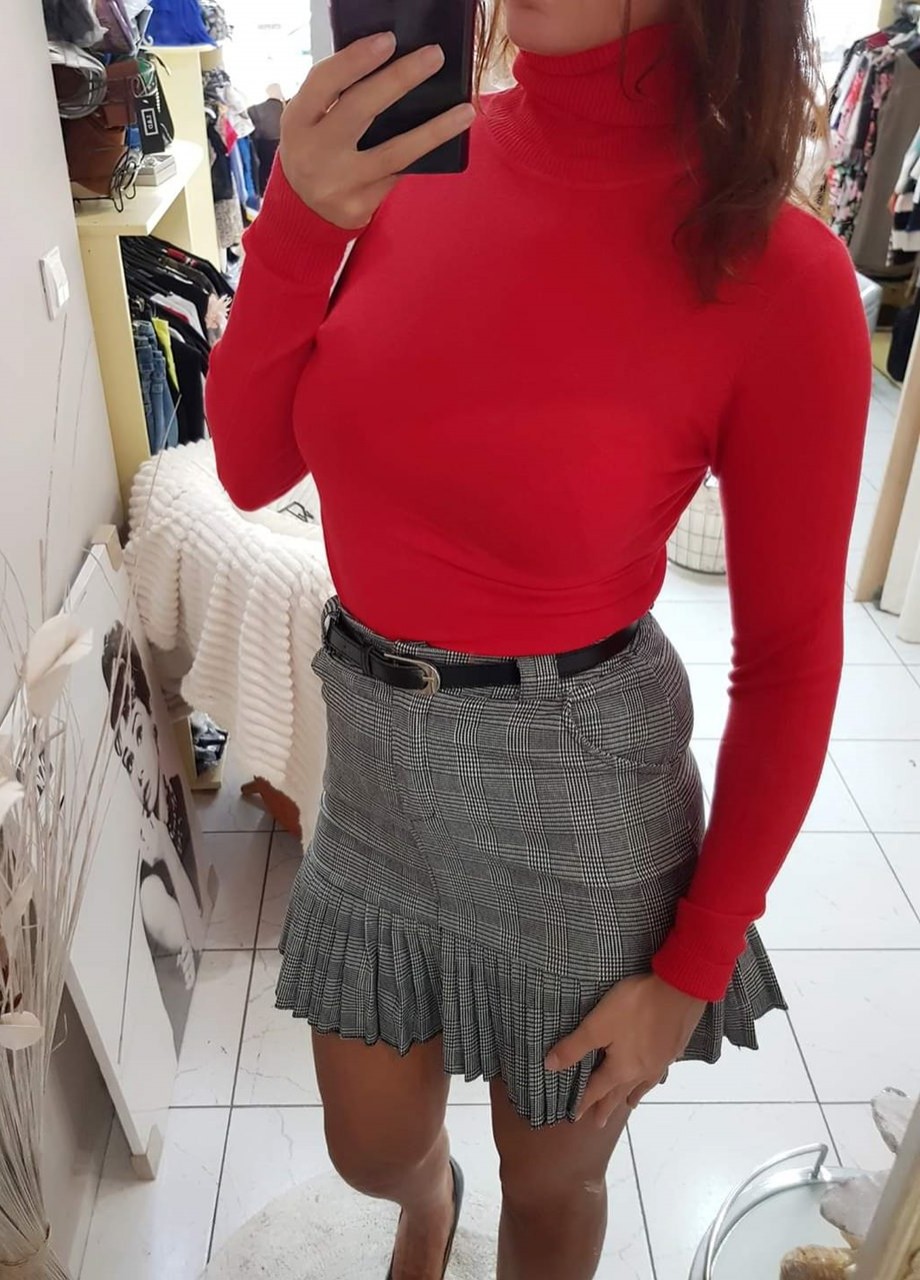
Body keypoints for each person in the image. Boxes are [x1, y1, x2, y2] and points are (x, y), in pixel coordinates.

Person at [205, 2, 871, 1276]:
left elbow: (790, 661)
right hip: (375, 756)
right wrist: (299, 219)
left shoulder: (772, 269)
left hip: (577, 798)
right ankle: (425, 1203)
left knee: (553, 1178)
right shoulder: (400, 160)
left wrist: (691, 967)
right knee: (367, 1143)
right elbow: (247, 464)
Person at [102, 622, 203, 1051]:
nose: (138, 768)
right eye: (126, 755)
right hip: (193, 1036)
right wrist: (164, 849)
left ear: (155, 724)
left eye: (139, 735)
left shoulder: (174, 791)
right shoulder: (150, 888)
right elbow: (197, 940)